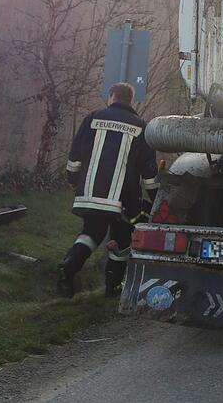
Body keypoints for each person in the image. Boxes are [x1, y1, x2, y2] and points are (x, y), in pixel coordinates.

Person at [57, 82, 157, 298]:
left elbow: (75, 153)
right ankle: (112, 287)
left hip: (91, 193)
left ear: (112, 96)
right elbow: (149, 172)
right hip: (124, 199)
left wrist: (74, 180)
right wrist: (155, 198)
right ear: (130, 100)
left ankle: (68, 266)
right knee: (122, 240)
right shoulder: (141, 127)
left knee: (91, 234)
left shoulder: (92, 117)